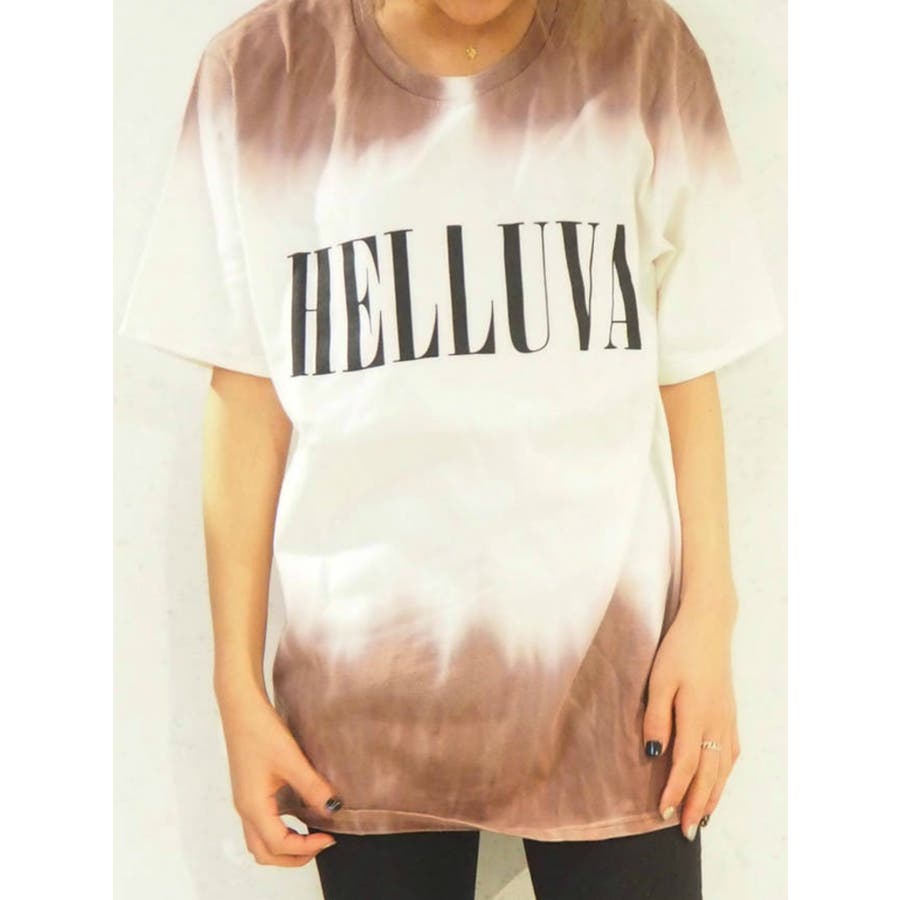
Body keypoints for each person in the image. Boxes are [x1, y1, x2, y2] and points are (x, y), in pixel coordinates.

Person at [117, 0, 784, 896]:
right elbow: (247, 397)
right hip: (366, 696)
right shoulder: (260, 77)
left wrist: (711, 614)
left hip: (618, 687)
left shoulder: (639, 52)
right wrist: (235, 684)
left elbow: (688, 362)